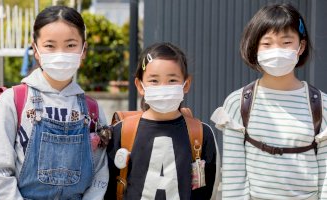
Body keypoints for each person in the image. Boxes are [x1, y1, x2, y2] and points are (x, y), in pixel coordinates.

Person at [0, 6, 109, 199]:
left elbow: (100, 173)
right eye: (50, 46)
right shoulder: (12, 101)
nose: (60, 54)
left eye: (70, 45)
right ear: (35, 49)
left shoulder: (92, 109)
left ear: (83, 50)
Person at [211, 3, 327, 200]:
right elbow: (234, 176)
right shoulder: (238, 103)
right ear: (255, 47)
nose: (277, 49)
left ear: (301, 46)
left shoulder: (321, 104)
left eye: (286, 42)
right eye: (267, 43)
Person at [105, 42, 220, 199]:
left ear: (186, 84)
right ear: (140, 85)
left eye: (172, 80)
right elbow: (109, 189)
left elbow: (207, 192)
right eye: (154, 81)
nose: (163, 87)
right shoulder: (121, 132)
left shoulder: (201, 134)